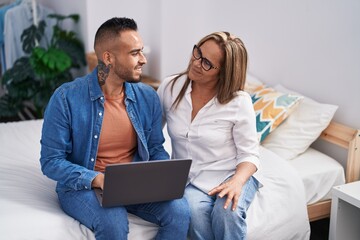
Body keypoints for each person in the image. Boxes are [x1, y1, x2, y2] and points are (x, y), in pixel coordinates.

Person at [40, 17, 190, 240]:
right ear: (108, 58)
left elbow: (155, 147)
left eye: (142, 51)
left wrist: (163, 177)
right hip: (86, 186)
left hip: (135, 184)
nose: (144, 60)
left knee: (180, 212)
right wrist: (97, 179)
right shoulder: (66, 98)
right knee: (114, 223)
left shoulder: (147, 97)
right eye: (134, 53)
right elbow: (51, 161)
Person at [157, 31, 261, 240]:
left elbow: (250, 154)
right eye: (197, 53)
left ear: (224, 73)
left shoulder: (239, 102)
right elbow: (150, 133)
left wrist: (237, 182)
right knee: (193, 214)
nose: (196, 63)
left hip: (233, 174)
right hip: (191, 180)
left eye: (207, 63)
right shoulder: (170, 87)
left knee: (227, 213)